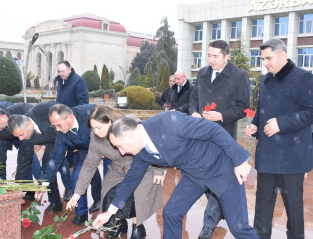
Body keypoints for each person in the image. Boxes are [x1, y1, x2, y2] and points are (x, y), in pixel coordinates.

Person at [93, 113, 259, 239]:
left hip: (221, 168)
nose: (122, 153)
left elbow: (213, 130)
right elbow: (130, 181)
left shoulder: (168, 122)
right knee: (172, 213)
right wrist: (110, 212)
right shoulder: (141, 152)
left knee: (238, 227)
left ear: (130, 134)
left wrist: (239, 161)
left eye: (120, 146)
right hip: (193, 174)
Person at [245, 39, 313, 239]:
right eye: (263, 58)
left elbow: (310, 111)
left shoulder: (304, 77)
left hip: (292, 156)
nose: (265, 62)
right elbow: (261, 111)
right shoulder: (266, 80)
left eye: (268, 57)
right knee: (262, 205)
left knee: (293, 207)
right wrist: (255, 126)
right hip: (267, 155)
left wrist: (281, 124)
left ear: (283, 55)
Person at [66, 105, 164, 238]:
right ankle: (119, 223)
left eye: (98, 127)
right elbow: (89, 164)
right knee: (109, 192)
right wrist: (77, 194)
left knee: (135, 194)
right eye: (92, 128)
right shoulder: (96, 137)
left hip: (143, 167)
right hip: (118, 169)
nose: (95, 132)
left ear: (110, 122)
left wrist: (158, 168)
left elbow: (152, 142)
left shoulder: (129, 123)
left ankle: (138, 225)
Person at [188, 39, 250, 239]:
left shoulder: (239, 75)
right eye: (209, 55)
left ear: (226, 56)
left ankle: (209, 223)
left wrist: (221, 115)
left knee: (217, 177)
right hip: (200, 135)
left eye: (215, 56)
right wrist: (194, 112)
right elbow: (193, 98)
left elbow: (243, 106)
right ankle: (220, 210)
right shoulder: (203, 73)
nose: (211, 60)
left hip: (223, 136)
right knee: (202, 176)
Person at [34, 103, 102, 225]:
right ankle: (81, 213)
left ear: (69, 117)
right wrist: (44, 183)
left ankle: (106, 208)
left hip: (105, 145)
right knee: (78, 175)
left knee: (110, 178)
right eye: (54, 126)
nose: (57, 130)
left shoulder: (91, 116)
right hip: (83, 148)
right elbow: (56, 159)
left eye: (59, 125)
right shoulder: (60, 131)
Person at [55, 60, 103, 209]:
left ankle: (97, 197)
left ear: (70, 69)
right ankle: (72, 189)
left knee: (87, 164)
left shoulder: (79, 81)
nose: (60, 74)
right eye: (58, 71)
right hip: (66, 129)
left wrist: (76, 133)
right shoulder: (61, 82)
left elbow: (83, 104)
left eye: (62, 71)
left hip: (77, 128)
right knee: (71, 163)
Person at [8, 101, 62, 213]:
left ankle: (71, 190)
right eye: (18, 137)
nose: (21, 139)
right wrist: (18, 188)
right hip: (50, 138)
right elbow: (24, 161)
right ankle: (55, 202)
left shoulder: (47, 111)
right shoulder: (25, 136)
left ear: (28, 125)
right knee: (47, 167)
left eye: (21, 135)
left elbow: (66, 122)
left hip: (62, 134)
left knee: (58, 166)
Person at [0, 103, 43, 200]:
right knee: (24, 159)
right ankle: (29, 189)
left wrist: (38, 142)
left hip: (29, 132)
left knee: (29, 157)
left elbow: (24, 158)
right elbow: (0, 154)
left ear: (3, 117)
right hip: (14, 135)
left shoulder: (22, 116)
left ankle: (43, 182)